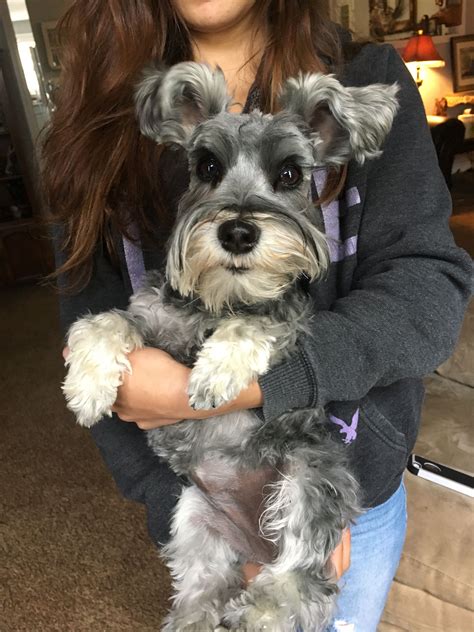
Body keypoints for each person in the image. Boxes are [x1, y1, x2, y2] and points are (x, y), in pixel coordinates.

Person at [43, 1, 472, 630]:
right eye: (210, 169)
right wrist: (177, 502)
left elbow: (429, 293)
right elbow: (93, 321)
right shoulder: (97, 121)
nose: (240, 217)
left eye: (289, 174)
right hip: (196, 495)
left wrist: (233, 387)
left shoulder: (361, 76)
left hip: (337, 487)